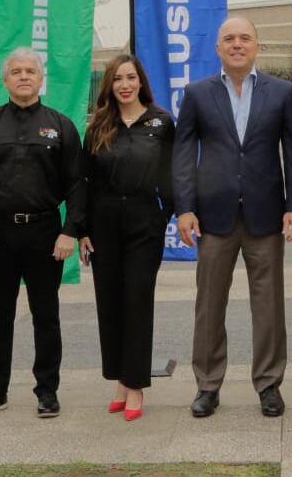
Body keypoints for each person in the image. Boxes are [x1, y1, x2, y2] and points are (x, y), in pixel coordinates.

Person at [174, 15, 292, 419]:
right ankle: (208, 385)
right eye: (228, 38)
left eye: (245, 38)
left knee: (268, 307)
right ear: (217, 49)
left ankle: (268, 384)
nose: (237, 44)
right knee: (209, 304)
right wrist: (184, 208)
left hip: (265, 216)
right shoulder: (197, 94)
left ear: (256, 46)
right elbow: (182, 155)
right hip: (213, 217)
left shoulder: (282, 92)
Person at [0, 47, 85, 420]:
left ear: (40, 77)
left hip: (46, 233)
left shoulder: (60, 125)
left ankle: (47, 391)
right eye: (16, 71)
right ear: (6, 79)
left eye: (30, 70)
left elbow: (78, 185)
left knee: (46, 315)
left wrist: (70, 232)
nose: (24, 76)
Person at [75, 54, 177, 422]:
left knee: (137, 301)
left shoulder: (161, 122)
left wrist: (166, 214)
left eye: (131, 77)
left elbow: (172, 174)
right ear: (109, 85)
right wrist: (82, 230)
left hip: (143, 223)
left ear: (141, 81)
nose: (125, 85)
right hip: (103, 224)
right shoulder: (99, 126)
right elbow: (85, 182)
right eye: (117, 79)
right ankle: (119, 379)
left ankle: (135, 386)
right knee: (110, 304)